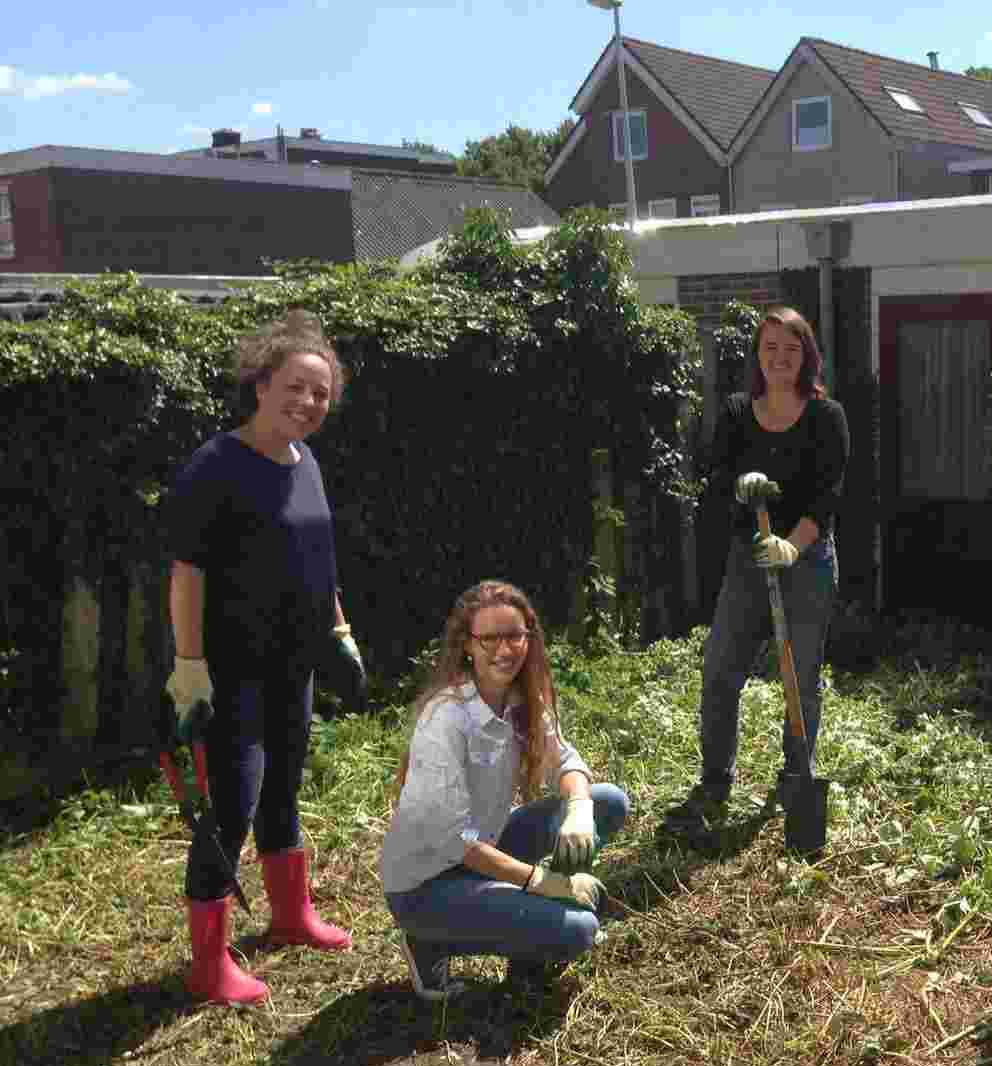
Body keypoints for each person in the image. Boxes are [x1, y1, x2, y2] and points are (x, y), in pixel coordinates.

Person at [165, 310, 364, 1007]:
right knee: (232, 807)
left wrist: (339, 631)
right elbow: (186, 573)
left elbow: (317, 558)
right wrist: (190, 667)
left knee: (283, 791)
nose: (309, 403)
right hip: (233, 673)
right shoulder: (217, 466)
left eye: (321, 393)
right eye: (297, 387)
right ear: (261, 384)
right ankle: (209, 967)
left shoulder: (305, 463)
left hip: (294, 665)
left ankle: (290, 916)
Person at [381, 580, 629, 999]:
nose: (505, 649)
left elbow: (565, 763)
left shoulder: (520, 700)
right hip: (428, 885)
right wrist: (539, 880)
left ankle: (531, 928)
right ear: (467, 646)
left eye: (514, 635)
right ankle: (430, 939)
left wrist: (579, 808)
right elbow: (452, 840)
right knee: (580, 930)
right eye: (489, 638)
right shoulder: (445, 719)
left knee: (607, 801)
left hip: (484, 847)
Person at [664, 306, 850, 832]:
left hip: (807, 560)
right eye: (770, 348)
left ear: (806, 356)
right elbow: (718, 473)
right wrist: (739, 489)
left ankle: (797, 777)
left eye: (791, 349)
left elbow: (827, 493)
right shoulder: (736, 412)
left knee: (800, 675)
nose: (780, 358)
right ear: (758, 354)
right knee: (721, 668)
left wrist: (792, 546)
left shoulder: (826, 416)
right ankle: (715, 780)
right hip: (749, 561)